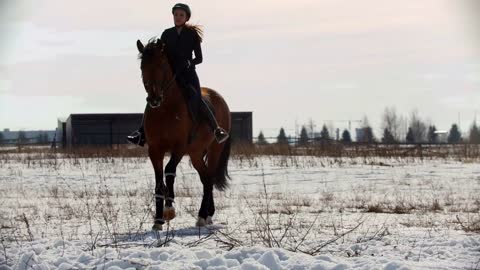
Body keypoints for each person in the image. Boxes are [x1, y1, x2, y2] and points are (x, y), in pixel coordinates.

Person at [127, 3, 229, 146]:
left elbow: (199, 58)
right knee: (153, 96)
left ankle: (216, 129)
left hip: (188, 74)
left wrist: (190, 63)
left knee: (196, 96)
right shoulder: (166, 34)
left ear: (186, 17)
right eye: (176, 15)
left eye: (181, 15)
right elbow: (159, 54)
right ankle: (141, 133)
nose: (178, 17)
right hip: (170, 75)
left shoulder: (192, 35)